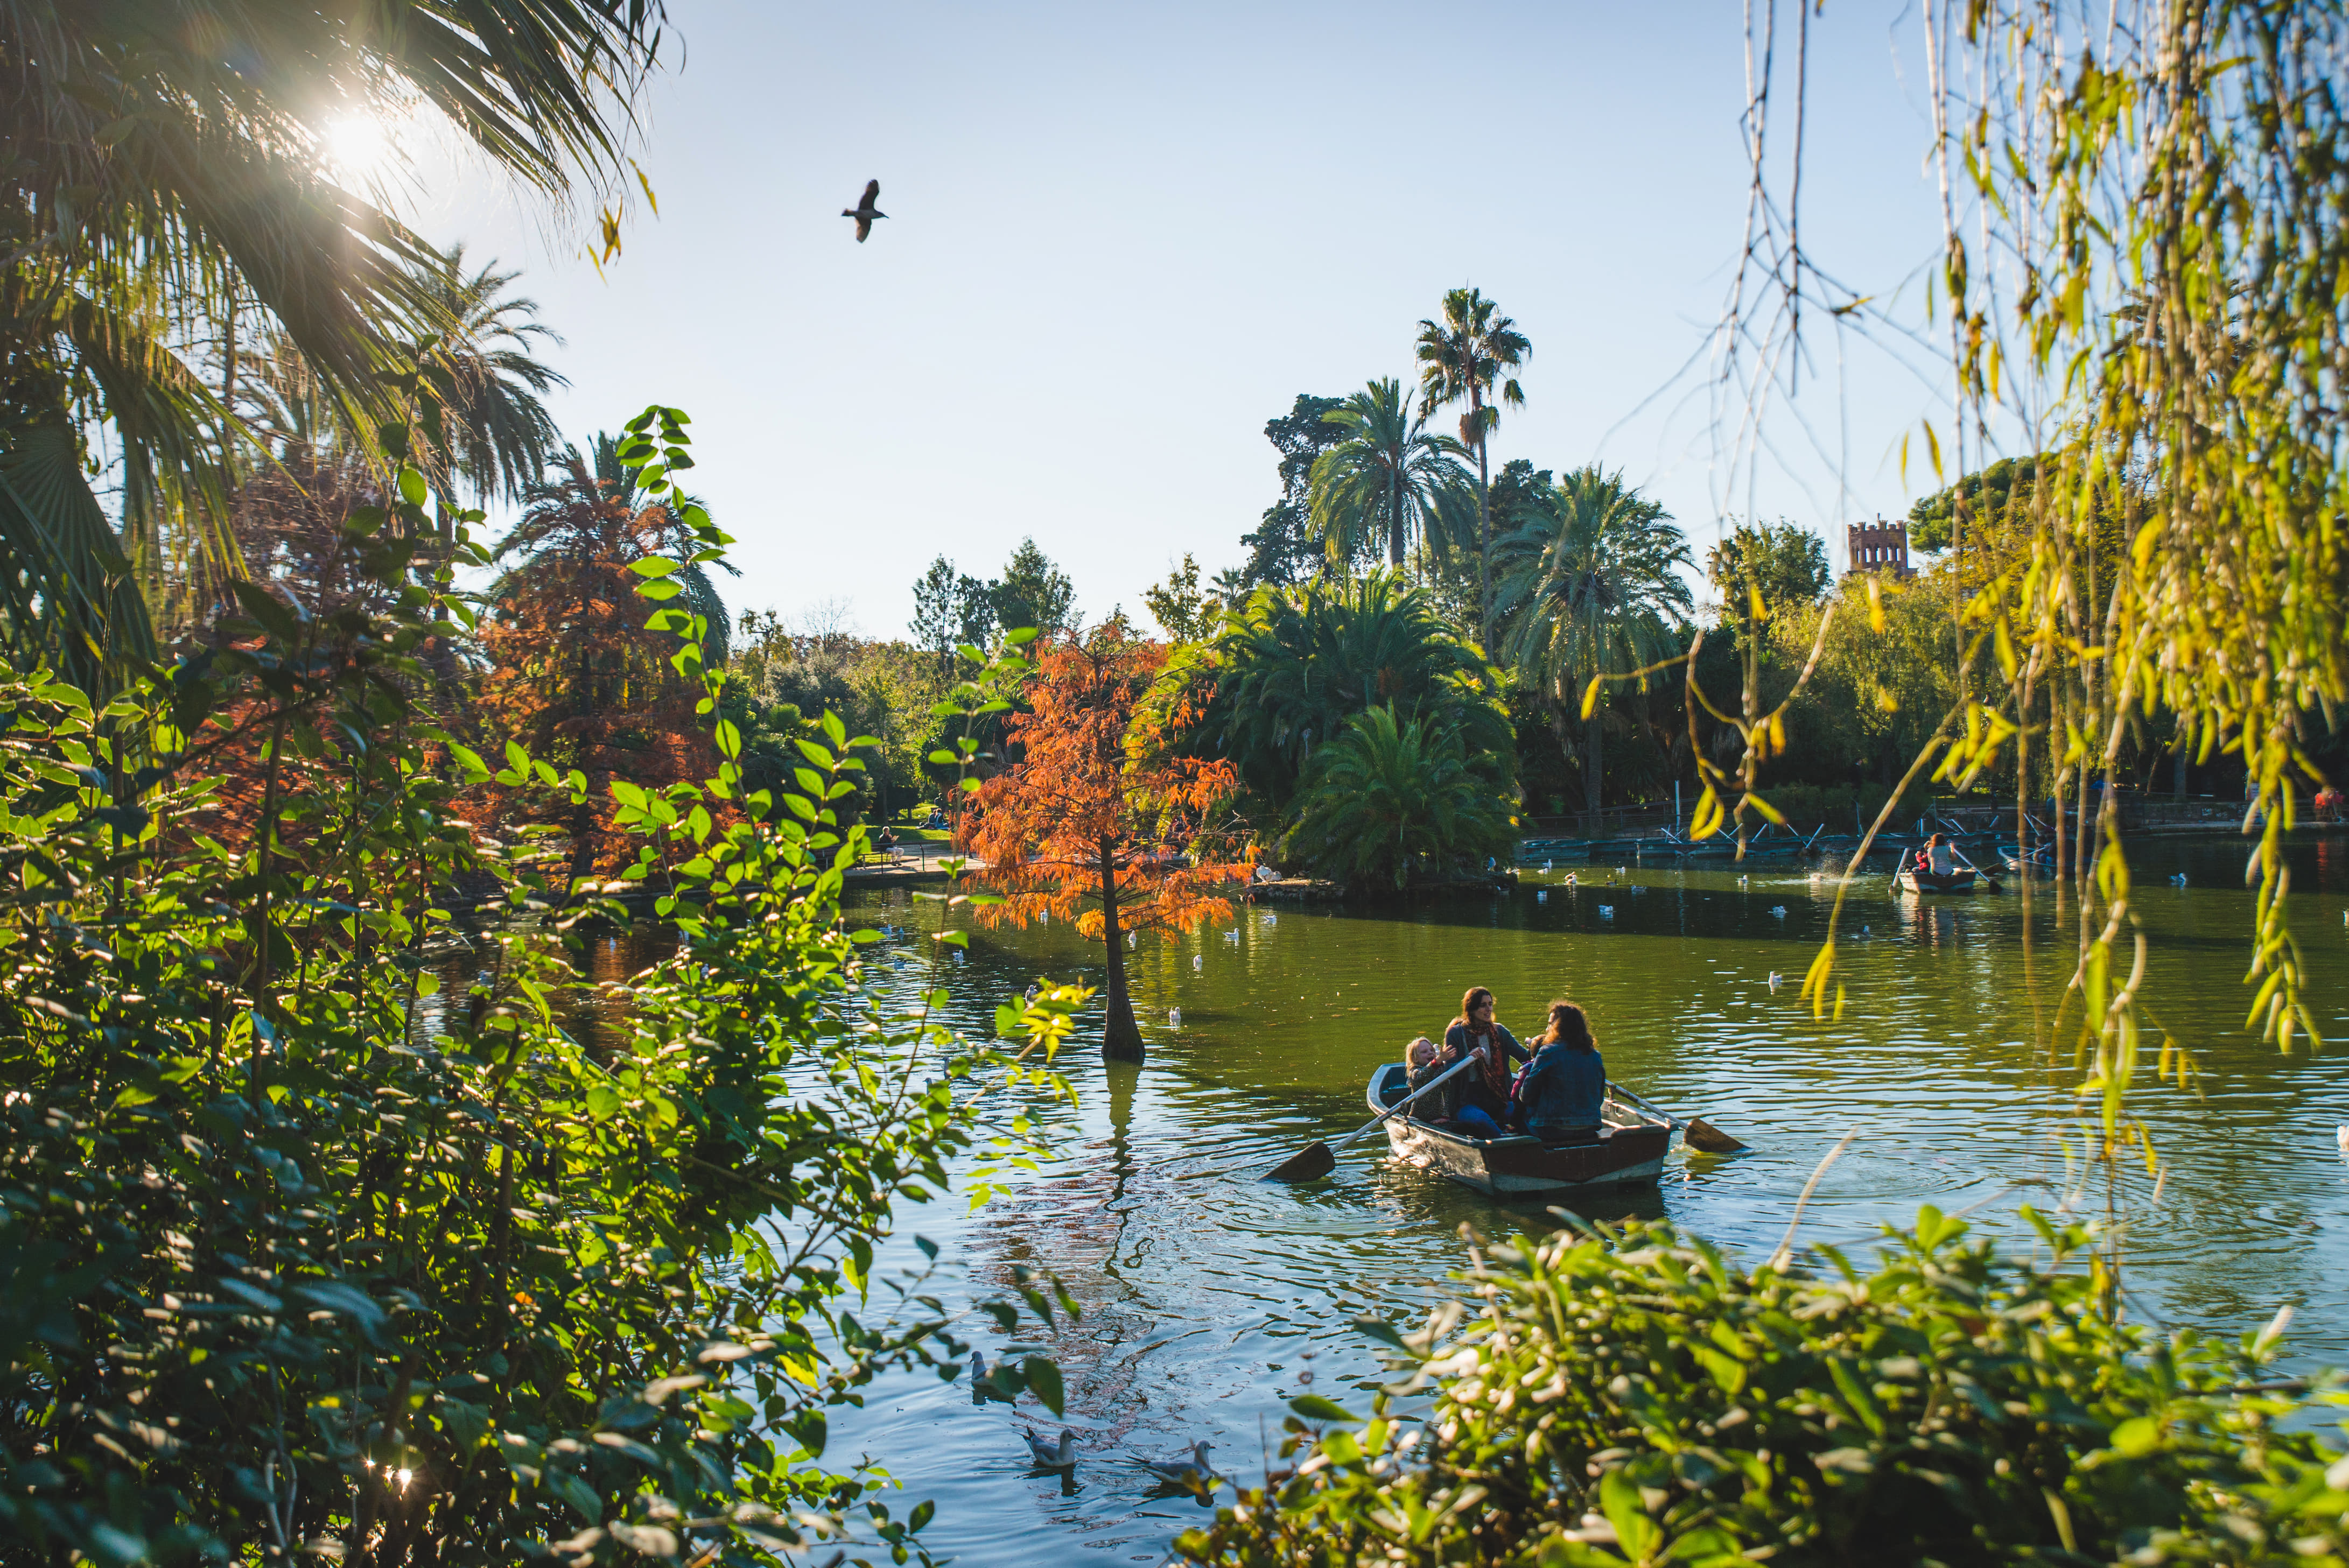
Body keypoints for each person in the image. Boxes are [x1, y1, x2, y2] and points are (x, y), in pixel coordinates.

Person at [1431, 987, 1528, 1139]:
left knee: (1520, 1114)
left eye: (1490, 1004)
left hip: (1498, 1098)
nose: (1488, 1009)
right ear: (1472, 1008)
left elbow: (1525, 1057)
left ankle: (1521, 1142)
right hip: (1467, 1101)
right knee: (1481, 1120)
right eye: (1483, 1005)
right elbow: (1450, 1071)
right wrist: (1468, 1061)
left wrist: (1542, 1046)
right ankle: (1504, 1141)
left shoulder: (1500, 1032)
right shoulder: (1456, 1033)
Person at [1510, 1000, 1608, 1143]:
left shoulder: (1547, 1052)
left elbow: (1525, 1096)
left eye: (1550, 1024)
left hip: (1552, 1129)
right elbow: (1599, 1099)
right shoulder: (1595, 1056)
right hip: (1589, 1127)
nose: (1547, 1028)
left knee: (1519, 1118)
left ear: (1558, 1027)